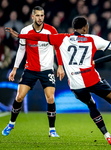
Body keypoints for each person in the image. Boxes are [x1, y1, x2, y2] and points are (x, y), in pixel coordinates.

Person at [5, 16, 111, 146]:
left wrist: (20, 35)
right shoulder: (93, 39)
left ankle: (108, 137)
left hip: (76, 85)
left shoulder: (62, 38)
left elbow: (39, 38)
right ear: (84, 27)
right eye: (87, 26)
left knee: (91, 106)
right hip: (92, 79)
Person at [2, 6, 65, 138]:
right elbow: (21, 50)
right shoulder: (25, 31)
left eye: (42, 15)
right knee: (19, 97)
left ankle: (52, 130)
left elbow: (57, 47)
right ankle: (11, 123)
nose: (40, 18)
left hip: (47, 69)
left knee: (51, 98)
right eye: (37, 15)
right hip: (30, 69)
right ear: (32, 17)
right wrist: (14, 69)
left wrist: (60, 65)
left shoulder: (50, 30)